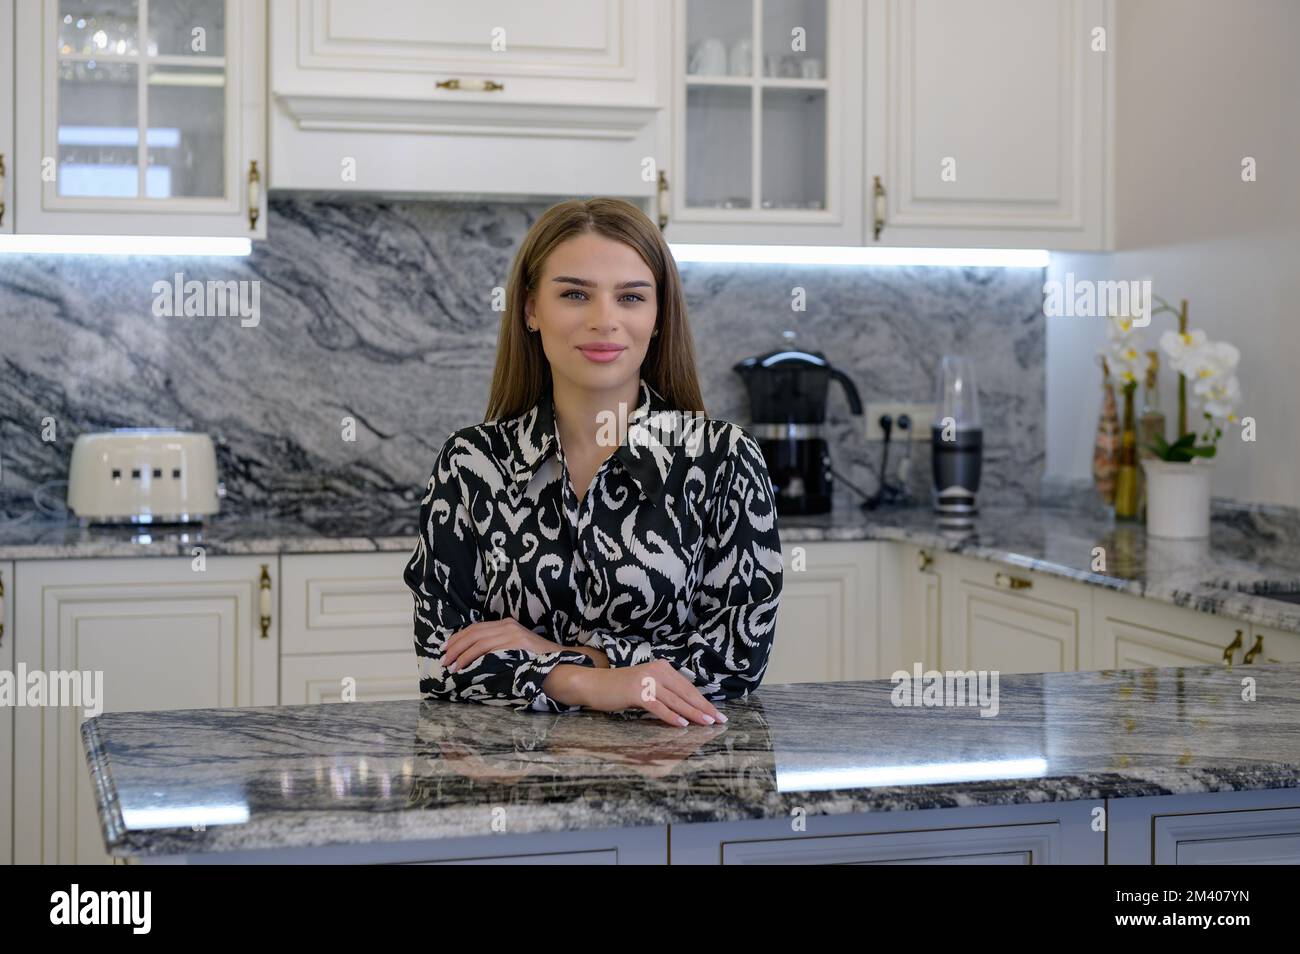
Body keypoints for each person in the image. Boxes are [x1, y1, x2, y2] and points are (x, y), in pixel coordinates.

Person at [403, 197, 782, 727]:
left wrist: (552, 656)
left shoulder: (721, 459)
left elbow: (737, 655)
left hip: (673, 777)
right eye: (575, 294)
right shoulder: (470, 463)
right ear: (532, 309)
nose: (605, 321)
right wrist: (590, 680)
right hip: (509, 784)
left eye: (631, 297)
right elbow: (440, 661)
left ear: (657, 315)